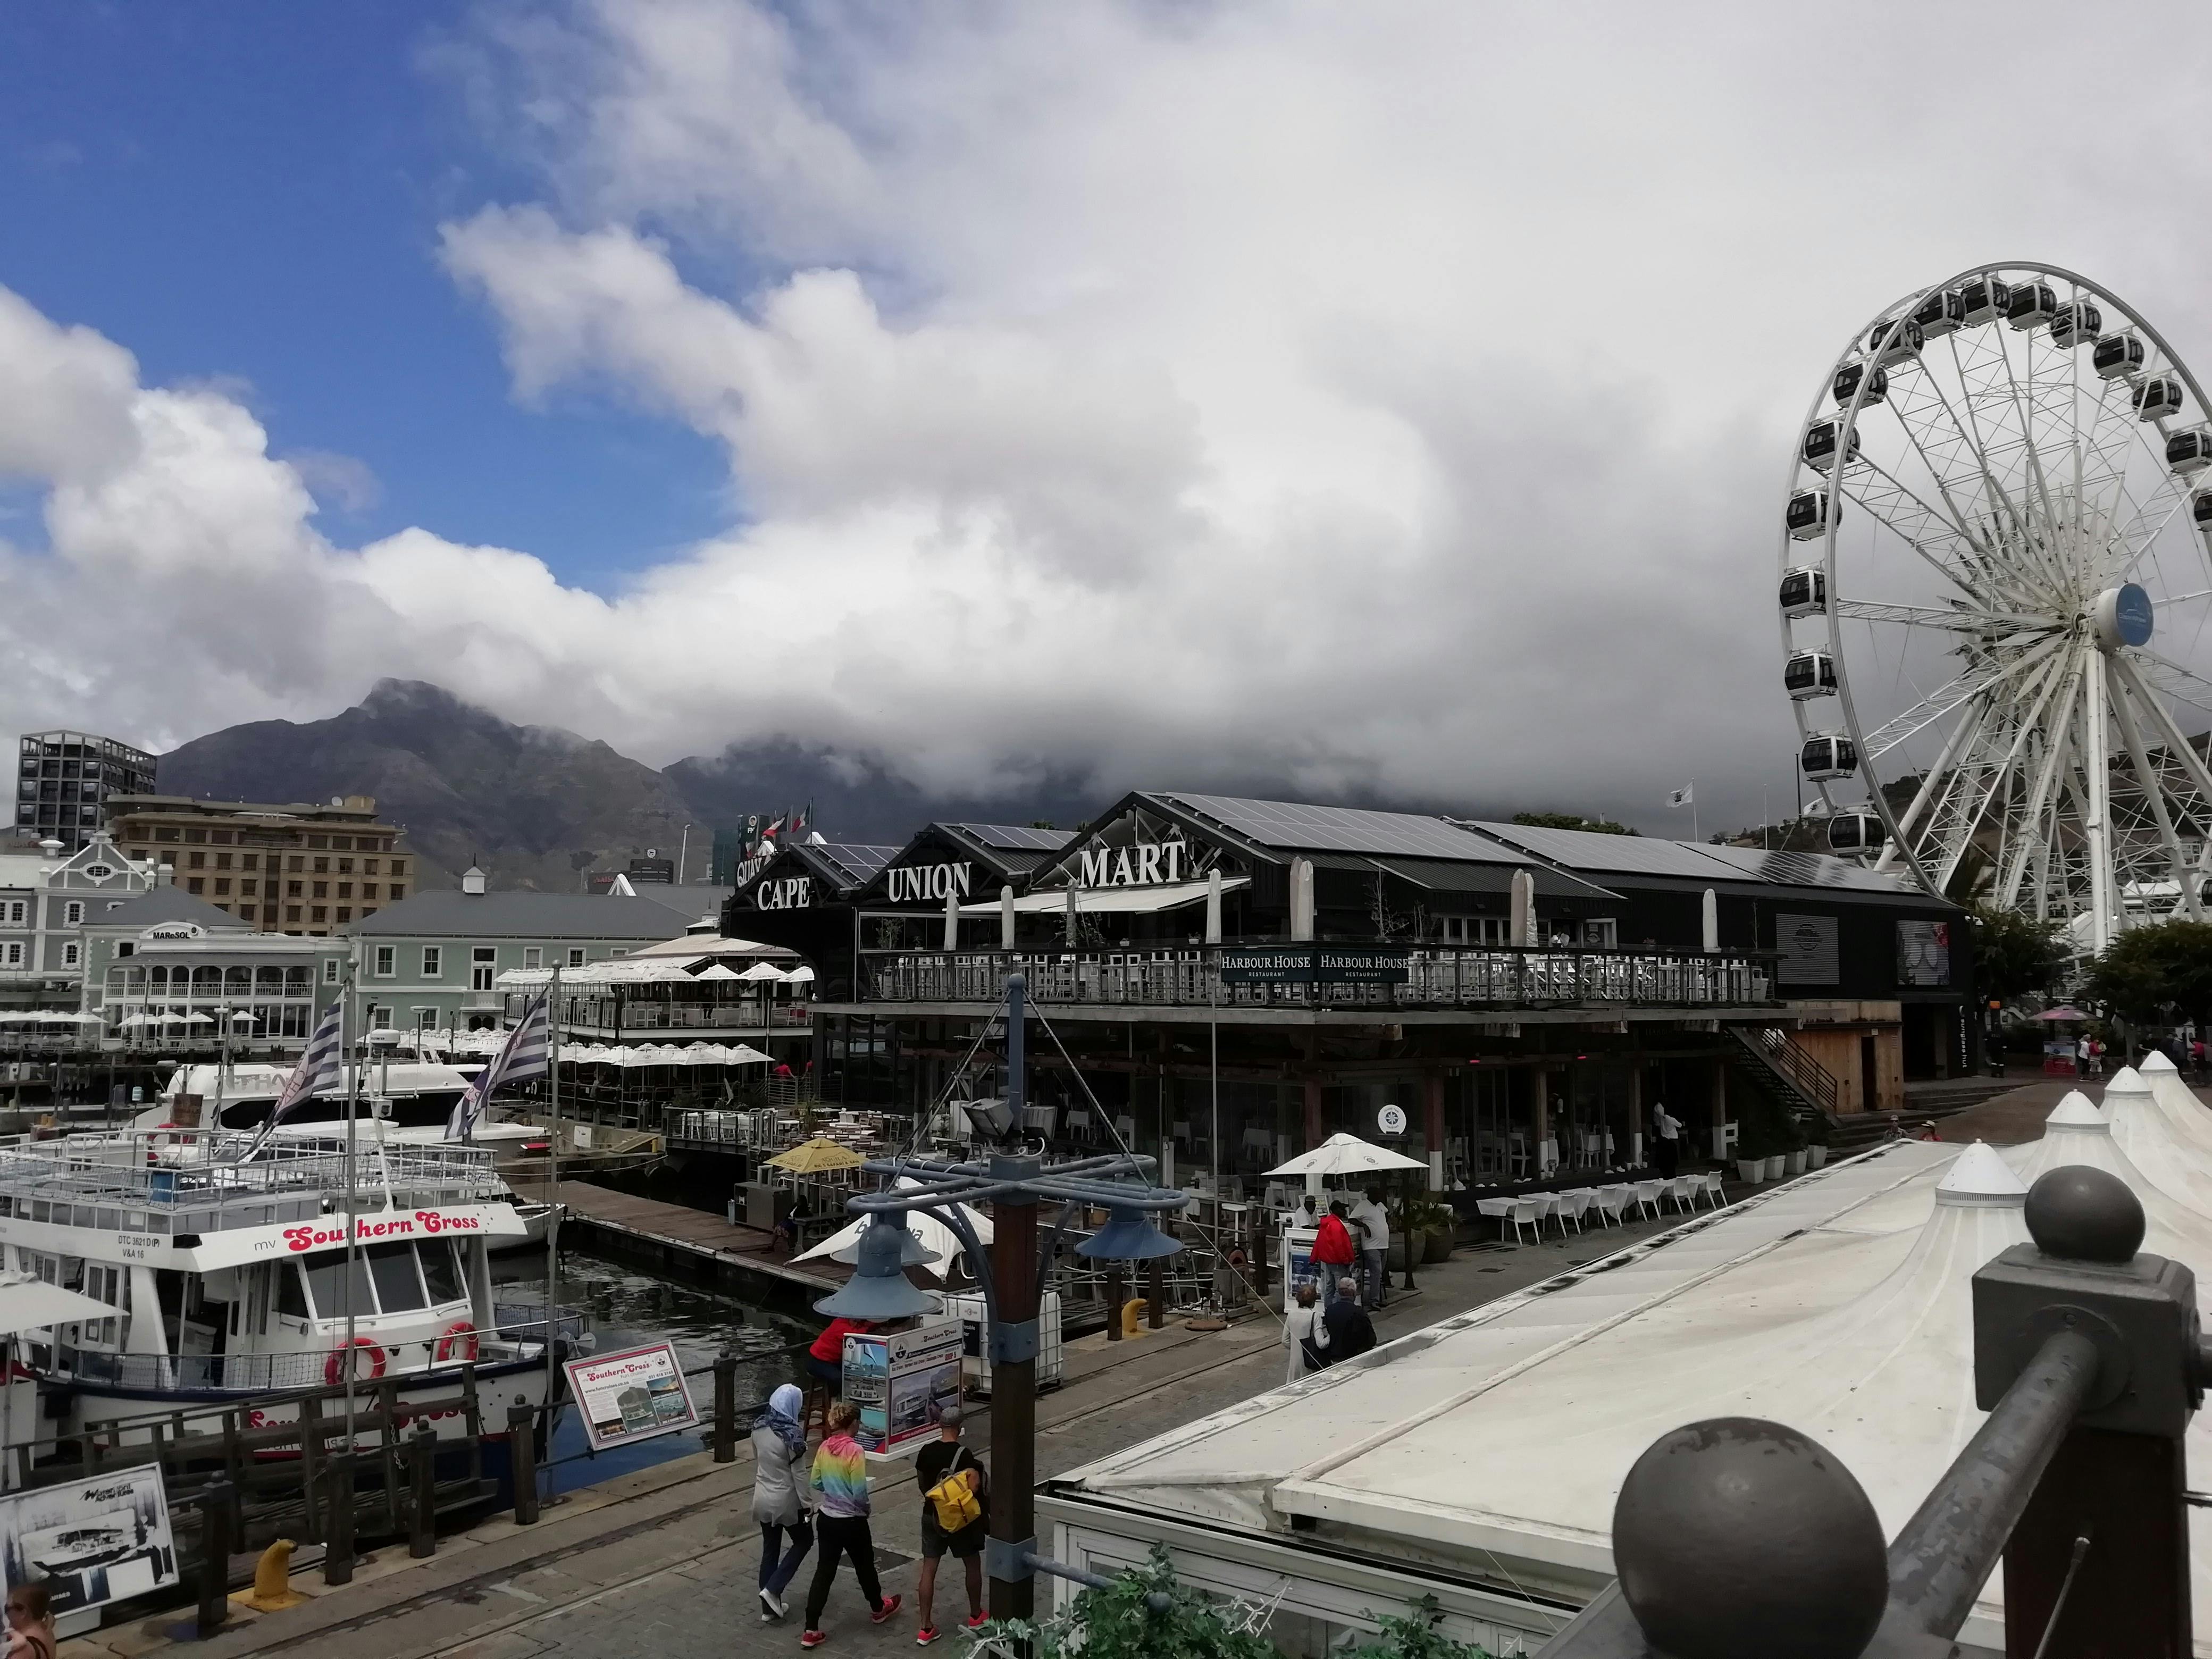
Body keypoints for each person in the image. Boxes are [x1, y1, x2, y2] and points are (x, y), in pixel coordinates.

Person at [801, 1402, 901, 1647]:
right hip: (852, 1521)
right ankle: (878, 1608)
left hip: (827, 1519)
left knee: (824, 1571)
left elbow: (815, 1482)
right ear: (854, 1423)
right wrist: (864, 1509)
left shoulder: (824, 1447)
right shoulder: (855, 1451)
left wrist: (833, 1492)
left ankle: (811, 1628)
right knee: (865, 1565)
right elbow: (859, 1492)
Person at [912, 1407, 988, 1645]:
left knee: (929, 1568)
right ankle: (976, 1615)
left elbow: (923, 1486)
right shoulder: (965, 1455)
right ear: (960, 1427)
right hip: (959, 1520)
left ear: (939, 1425)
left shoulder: (925, 1452)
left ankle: (925, 1627)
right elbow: (975, 1488)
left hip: (931, 1516)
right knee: (972, 1563)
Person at [751, 1384, 814, 1622]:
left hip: (762, 1498)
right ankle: (774, 1589)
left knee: (770, 1548)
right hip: (786, 1501)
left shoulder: (758, 1428)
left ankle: (768, 1608)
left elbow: (757, 1459)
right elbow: (800, 1476)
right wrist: (808, 1504)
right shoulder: (793, 1437)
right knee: (804, 1540)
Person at [1347, 1187, 1391, 1310]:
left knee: (1379, 1272)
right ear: (1370, 1196)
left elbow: (1387, 1213)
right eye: (1377, 1195)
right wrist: (1364, 1226)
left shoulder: (1380, 1206)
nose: (1380, 1197)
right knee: (1376, 1272)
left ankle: (1377, 1297)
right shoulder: (1363, 1206)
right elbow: (1352, 1219)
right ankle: (1374, 1300)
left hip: (1384, 1244)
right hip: (1371, 1246)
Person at [807, 1316, 872, 1395]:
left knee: (856, 1372)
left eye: (859, 1322)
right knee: (839, 1378)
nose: (856, 1324)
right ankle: (835, 1399)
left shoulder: (849, 1323)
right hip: (818, 1361)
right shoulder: (839, 1324)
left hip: (833, 1360)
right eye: (854, 1321)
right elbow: (854, 1335)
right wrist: (868, 1326)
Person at [1309, 1201, 1358, 1307]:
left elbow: (1319, 1242)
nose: (1345, 1211)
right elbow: (1339, 1245)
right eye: (1342, 1209)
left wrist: (1313, 1258)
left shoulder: (1326, 1224)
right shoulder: (1336, 1225)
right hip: (1337, 1262)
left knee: (1329, 1288)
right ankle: (1337, 1310)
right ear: (1335, 1211)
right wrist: (1346, 1261)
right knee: (1341, 1288)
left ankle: (1328, 1310)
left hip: (1327, 1261)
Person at [1321, 1276, 1377, 1363]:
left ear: (1339, 1293)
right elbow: (1371, 1340)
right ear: (1354, 1294)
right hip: (1353, 1357)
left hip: (1334, 1355)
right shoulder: (1359, 1312)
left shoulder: (1330, 1310)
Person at [1282, 1280, 1328, 1382]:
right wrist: (1330, 1336)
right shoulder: (1315, 1316)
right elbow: (1321, 1344)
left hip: (1294, 1363)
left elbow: (1285, 1340)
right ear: (1314, 1301)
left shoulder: (1292, 1314)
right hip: (1309, 1362)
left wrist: (1295, 1347)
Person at [3, 1585, 53, 1659]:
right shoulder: (47, 1630)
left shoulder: (22, 1649)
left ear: (23, 1613)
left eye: (6, 1608)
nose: (5, 1613)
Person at [1651, 1103, 1682, 1179]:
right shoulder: (1670, 1119)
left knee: (1667, 1160)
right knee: (1674, 1159)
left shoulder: (1660, 1120)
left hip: (1665, 1140)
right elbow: (1680, 1125)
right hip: (1673, 1140)